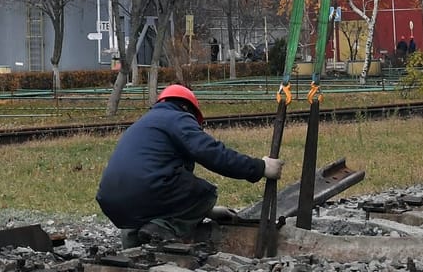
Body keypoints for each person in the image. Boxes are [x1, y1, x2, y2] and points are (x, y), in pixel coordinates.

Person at [96, 84, 283, 245]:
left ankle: (132, 242)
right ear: (188, 108)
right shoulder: (177, 117)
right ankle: (161, 230)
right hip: (148, 189)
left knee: (141, 206)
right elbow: (212, 153)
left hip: (111, 200)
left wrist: (208, 213)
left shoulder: (144, 123)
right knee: (205, 193)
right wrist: (260, 167)